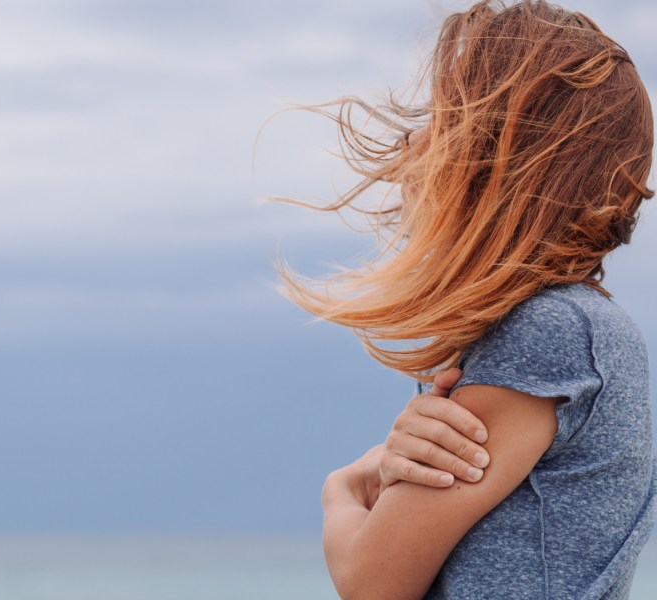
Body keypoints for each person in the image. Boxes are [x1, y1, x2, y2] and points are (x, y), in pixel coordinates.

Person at [268, 0, 656, 598]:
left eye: (445, 118)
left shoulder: (547, 330)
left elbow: (372, 582)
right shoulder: (571, 325)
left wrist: (342, 489)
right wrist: (389, 465)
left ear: (502, 156)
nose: (416, 139)